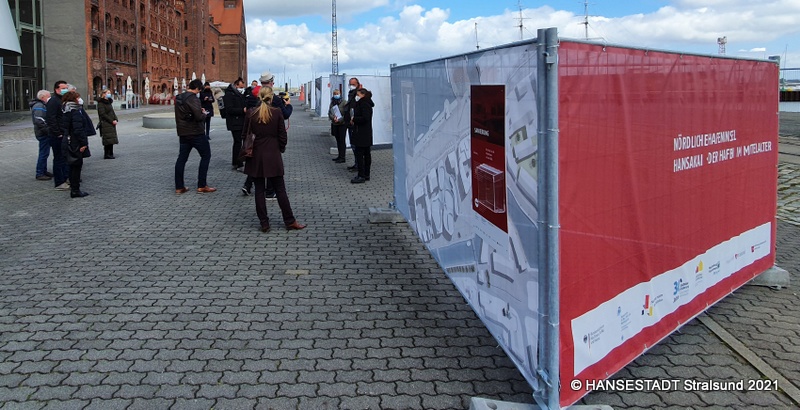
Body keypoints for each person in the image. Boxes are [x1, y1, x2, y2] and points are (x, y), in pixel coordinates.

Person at [243, 86, 306, 232]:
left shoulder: (252, 113)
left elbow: (245, 134)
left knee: (259, 190)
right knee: (280, 189)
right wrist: (280, 148)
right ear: (271, 97)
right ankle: (289, 220)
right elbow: (282, 135)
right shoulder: (277, 112)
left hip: (256, 153)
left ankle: (264, 223)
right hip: (273, 152)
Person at [241, 71, 293, 197]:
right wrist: (289, 106)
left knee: (256, 165)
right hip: (271, 140)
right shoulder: (275, 99)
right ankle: (269, 191)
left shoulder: (252, 96)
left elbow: (247, 113)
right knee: (270, 167)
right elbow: (285, 115)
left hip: (254, 139)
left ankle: (248, 185)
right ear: (271, 83)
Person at [174, 79, 216, 194]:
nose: (199, 92)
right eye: (199, 90)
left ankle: (179, 186)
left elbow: (184, 114)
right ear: (197, 88)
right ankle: (202, 185)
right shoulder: (193, 98)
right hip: (196, 132)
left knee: (181, 159)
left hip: (183, 133)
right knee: (206, 155)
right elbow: (198, 117)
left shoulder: (179, 98)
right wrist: (203, 113)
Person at [60, 91, 90, 198]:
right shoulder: (75, 111)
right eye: (78, 98)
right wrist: (84, 143)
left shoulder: (64, 109)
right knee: (76, 166)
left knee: (72, 165)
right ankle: (75, 190)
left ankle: (74, 188)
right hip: (75, 142)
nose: (79, 100)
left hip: (68, 140)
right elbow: (78, 129)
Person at [46, 80, 70, 190]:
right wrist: (58, 133)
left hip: (64, 133)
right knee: (59, 158)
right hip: (57, 135)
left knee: (64, 158)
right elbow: (51, 119)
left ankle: (65, 178)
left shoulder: (62, 100)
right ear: (57, 89)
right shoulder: (53, 101)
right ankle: (59, 182)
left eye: (66, 88)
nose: (65, 90)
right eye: (63, 88)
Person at [222, 78, 248, 171]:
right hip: (235, 122)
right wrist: (242, 110)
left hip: (240, 121)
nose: (242, 88)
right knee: (238, 142)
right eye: (241, 86)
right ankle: (238, 163)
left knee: (238, 142)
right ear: (236, 85)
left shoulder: (239, 94)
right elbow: (229, 109)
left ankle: (236, 162)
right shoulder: (229, 95)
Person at [350, 88, 374, 184]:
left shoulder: (364, 104)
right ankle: (366, 174)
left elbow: (365, 118)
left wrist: (354, 119)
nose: (357, 97)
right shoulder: (364, 103)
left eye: (358, 95)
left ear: (363, 95)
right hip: (364, 133)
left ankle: (361, 175)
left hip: (362, 133)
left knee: (361, 155)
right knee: (366, 154)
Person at [30, 90, 53, 180]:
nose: (49, 98)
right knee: (43, 153)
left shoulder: (41, 105)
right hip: (43, 133)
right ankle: (40, 173)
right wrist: (48, 130)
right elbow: (39, 120)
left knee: (45, 153)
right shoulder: (39, 106)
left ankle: (43, 170)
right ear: (43, 97)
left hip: (43, 132)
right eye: (48, 96)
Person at [343, 77, 363, 171]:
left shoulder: (358, 94)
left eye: (353, 84)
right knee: (353, 145)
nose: (351, 86)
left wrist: (353, 118)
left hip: (355, 123)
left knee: (356, 146)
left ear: (358, 84)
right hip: (350, 122)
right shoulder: (351, 94)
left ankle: (359, 165)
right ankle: (356, 164)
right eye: (350, 84)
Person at [96, 89, 119, 159]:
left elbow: (112, 112)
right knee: (107, 139)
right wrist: (111, 121)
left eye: (110, 93)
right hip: (106, 123)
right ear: (103, 94)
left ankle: (111, 153)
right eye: (108, 93)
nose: (109, 94)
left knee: (111, 138)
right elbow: (103, 114)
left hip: (111, 123)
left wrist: (115, 119)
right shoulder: (101, 103)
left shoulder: (108, 102)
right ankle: (107, 154)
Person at [328, 89, 347, 163]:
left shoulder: (344, 102)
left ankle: (342, 157)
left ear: (340, 94)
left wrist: (340, 119)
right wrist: (333, 118)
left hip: (342, 124)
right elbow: (330, 112)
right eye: (335, 94)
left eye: (337, 93)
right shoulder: (332, 103)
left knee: (342, 141)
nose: (336, 95)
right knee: (338, 140)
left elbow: (346, 114)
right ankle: (339, 156)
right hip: (335, 124)